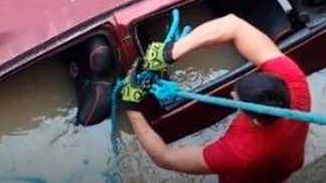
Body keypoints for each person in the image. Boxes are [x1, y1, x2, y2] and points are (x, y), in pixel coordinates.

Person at [121, 13, 311, 183]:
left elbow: (165, 158)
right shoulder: (295, 83)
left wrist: (131, 107)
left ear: (255, 121)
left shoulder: (241, 151)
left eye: (236, 98)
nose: (231, 94)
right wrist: (173, 51)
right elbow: (234, 25)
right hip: (290, 160)